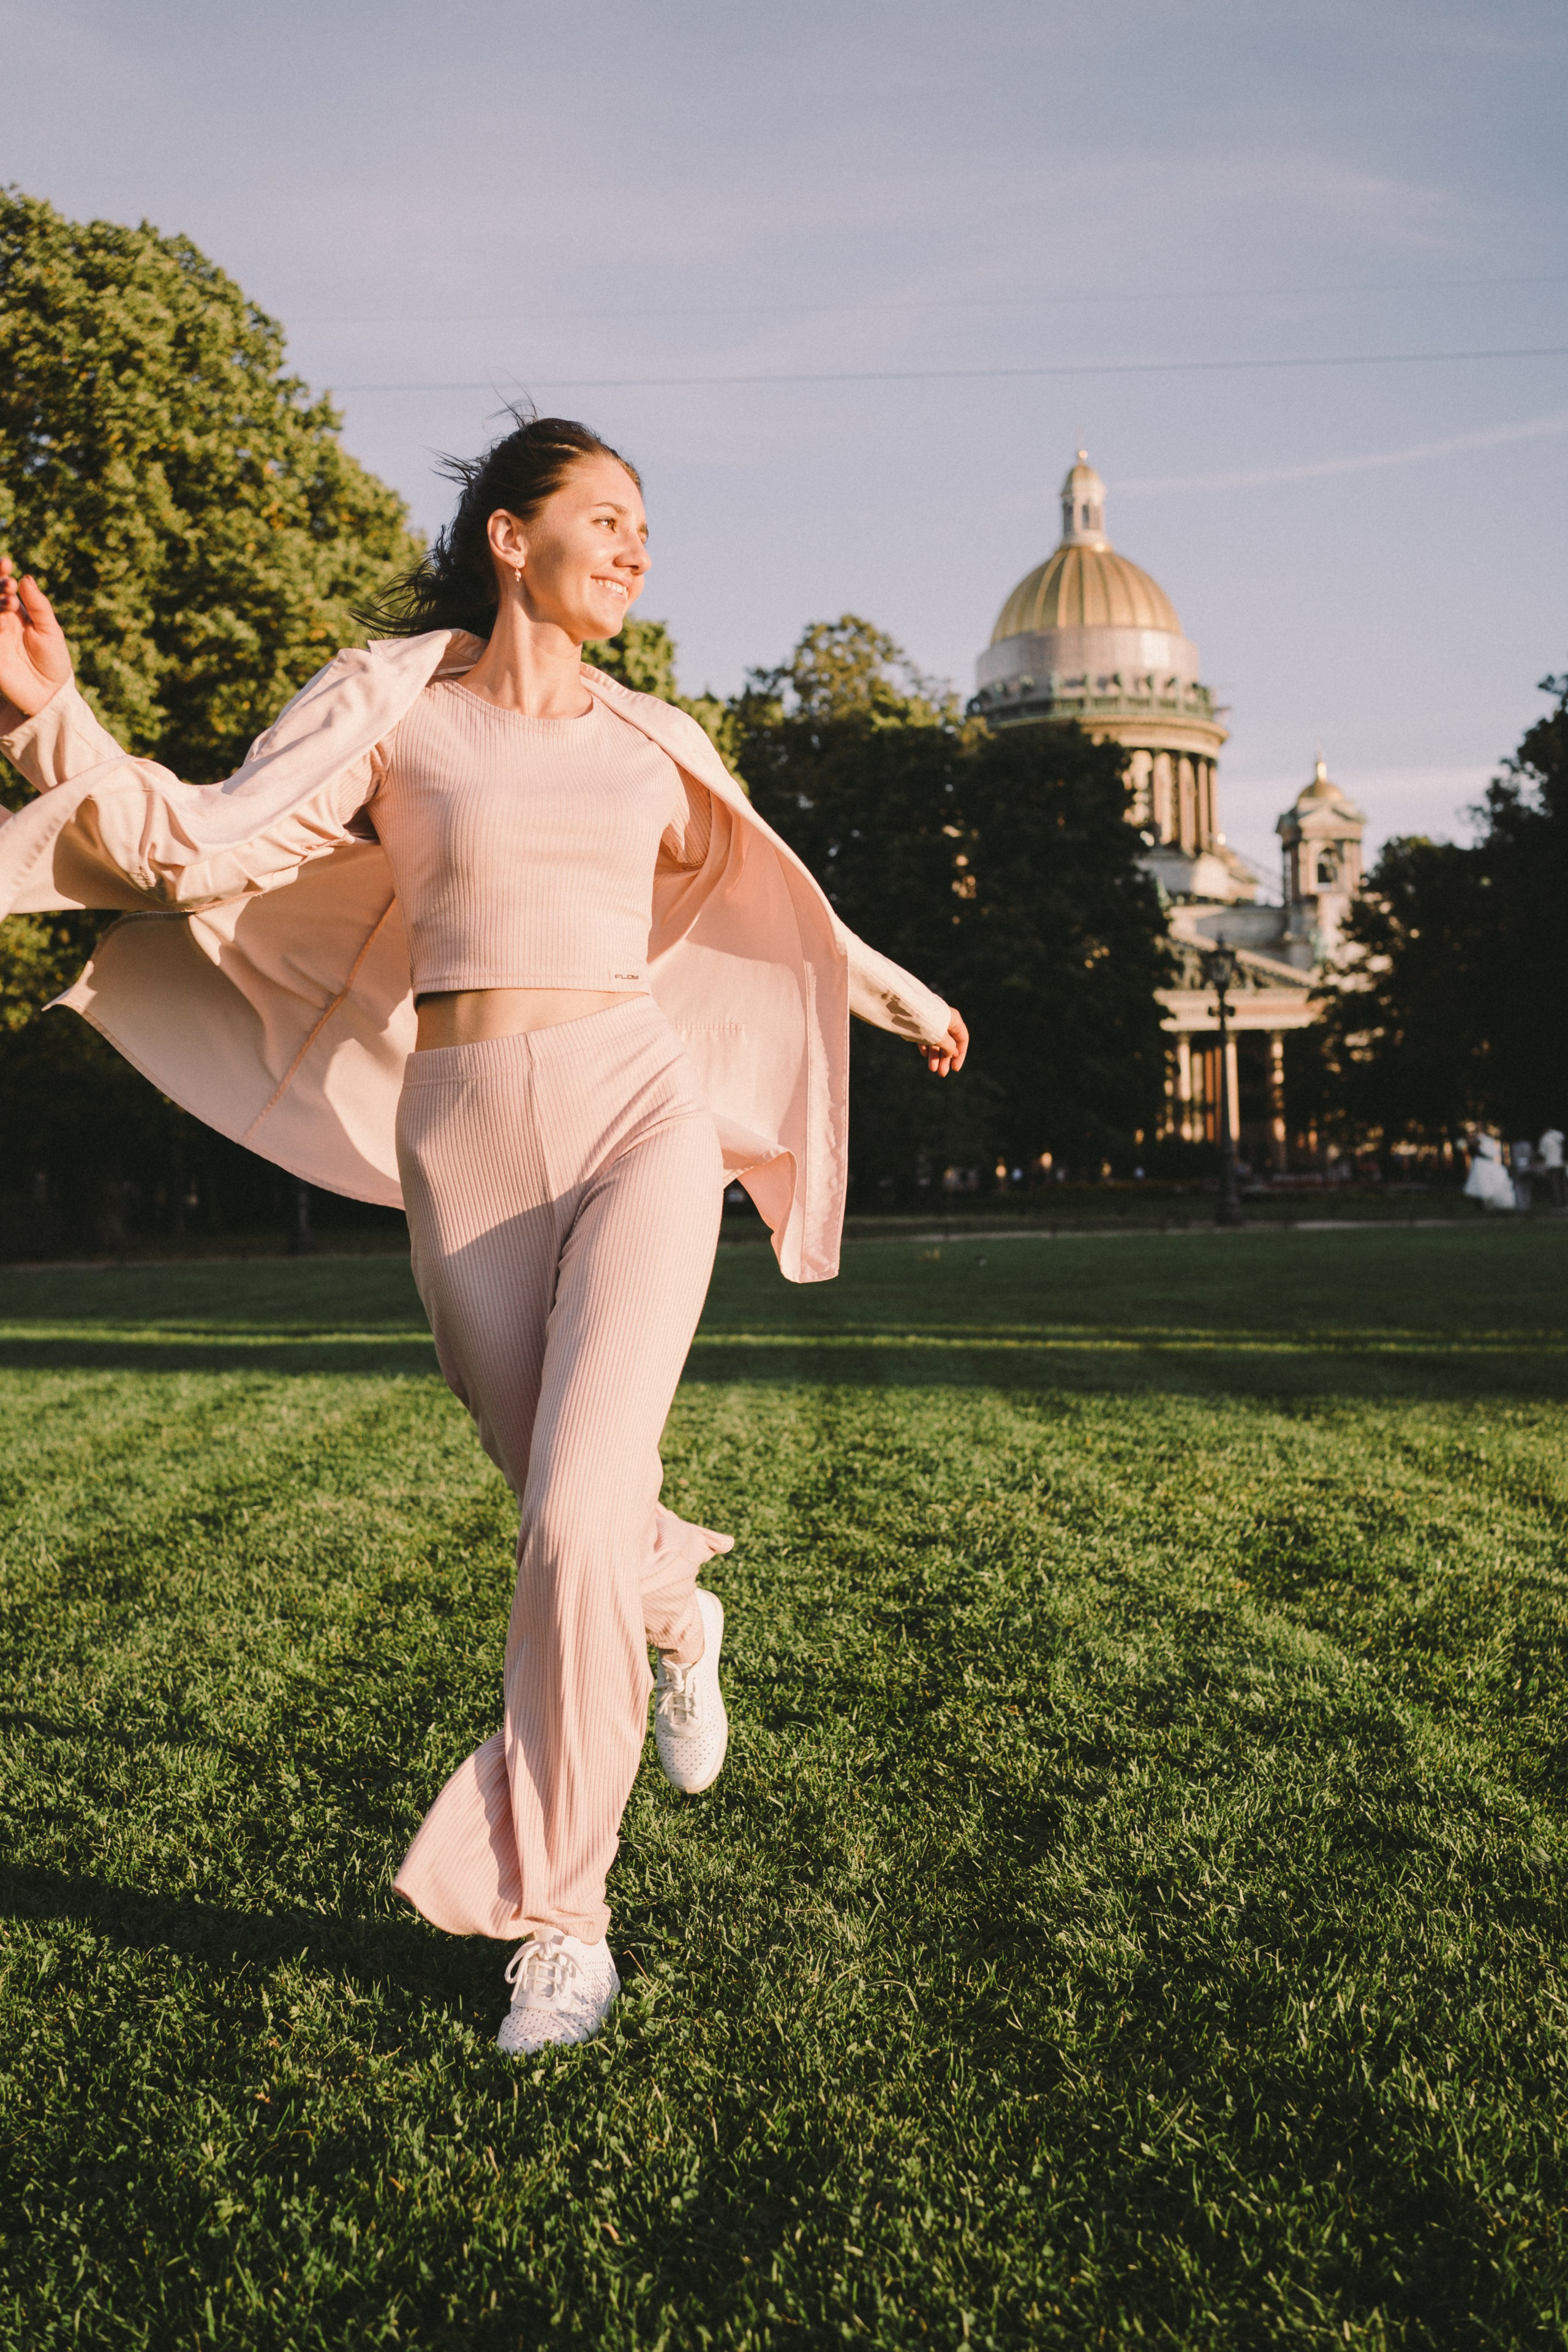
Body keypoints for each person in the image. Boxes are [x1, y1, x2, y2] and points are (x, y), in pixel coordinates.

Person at [0, 415, 966, 2057]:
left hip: (638, 1114)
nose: (639, 544)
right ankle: (676, 1608)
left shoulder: (653, 740)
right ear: (511, 540)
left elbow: (783, 908)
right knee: (567, 1512)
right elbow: (199, 840)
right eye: (606, 516)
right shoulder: (392, 710)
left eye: (647, 522)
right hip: (458, 1136)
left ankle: (561, 1923)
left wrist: (899, 998)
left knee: (575, 1514)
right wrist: (54, 723)